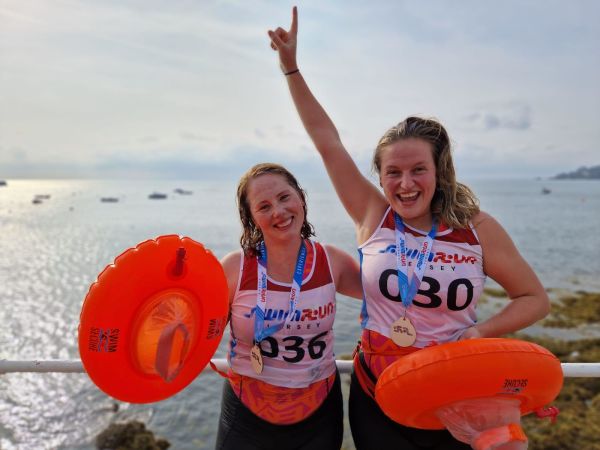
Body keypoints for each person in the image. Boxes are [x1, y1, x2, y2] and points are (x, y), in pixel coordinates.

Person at [268, 8, 551, 450]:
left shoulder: (475, 229)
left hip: (455, 393)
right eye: (393, 173)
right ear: (379, 178)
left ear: (439, 171)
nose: (405, 184)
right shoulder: (372, 216)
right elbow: (327, 141)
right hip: (378, 394)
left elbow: (535, 299)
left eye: (418, 169)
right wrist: (291, 67)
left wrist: (480, 332)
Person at [215, 163, 362, 450]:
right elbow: (200, 334)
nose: (278, 212)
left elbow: (390, 302)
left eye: (284, 198)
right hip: (247, 412)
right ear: (251, 218)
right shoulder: (236, 268)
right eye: (264, 206)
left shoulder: (332, 262)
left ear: (301, 199)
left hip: (318, 413)